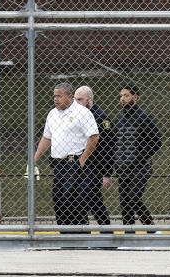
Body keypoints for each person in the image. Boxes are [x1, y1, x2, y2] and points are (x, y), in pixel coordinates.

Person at [32, 82, 99, 225]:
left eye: (59, 96)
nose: (56, 99)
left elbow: (94, 136)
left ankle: (81, 232)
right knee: (58, 198)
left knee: (71, 197)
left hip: (74, 163)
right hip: (58, 165)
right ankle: (64, 234)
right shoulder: (52, 114)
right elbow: (47, 138)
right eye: (54, 96)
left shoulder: (82, 113)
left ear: (69, 96)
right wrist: (35, 158)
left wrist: (83, 159)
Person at [113, 84, 162, 229]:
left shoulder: (144, 117)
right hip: (122, 168)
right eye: (121, 96)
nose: (122, 99)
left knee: (133, 199)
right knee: (124, 203)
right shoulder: (119, 119)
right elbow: (115, 143)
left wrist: (139, 158)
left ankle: (151, 229)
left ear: (135, 97)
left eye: (126, 95)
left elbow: (156, 141)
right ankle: (129, 237)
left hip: (140, 168)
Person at [74, 85, 113, 225]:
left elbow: (108, 148)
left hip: (95, 167)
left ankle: (83, 233)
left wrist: (107, 173)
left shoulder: (101, 119)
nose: (76, 103)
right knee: (95, 201)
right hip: (81, 166)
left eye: (80, 100)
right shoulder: (78, 117)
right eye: (75, 99)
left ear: (90, 100)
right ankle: (107, 233)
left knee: (82, 198)